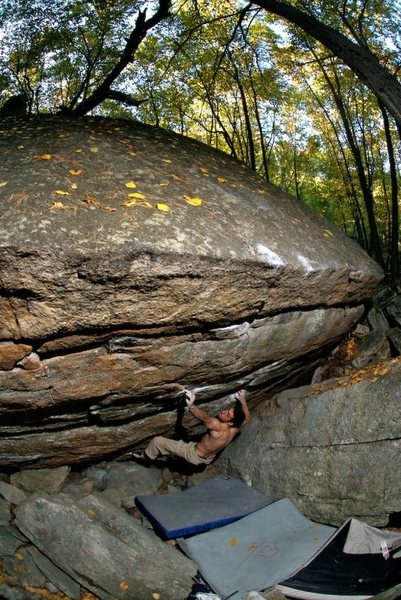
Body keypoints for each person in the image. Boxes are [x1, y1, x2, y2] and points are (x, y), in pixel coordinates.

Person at [132, 389, 250, 466]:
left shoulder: (218, 426)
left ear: (230, 422)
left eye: (228, 415)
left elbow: (205, 419)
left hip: (193, 454)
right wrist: (243, 401)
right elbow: (247, 419)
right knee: (177, 447)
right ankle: (173, 457)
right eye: (227, 410)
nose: (224, 412)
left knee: (157, 441)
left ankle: (145, 459)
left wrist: (191, 405)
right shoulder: (235, 428)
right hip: (207, 458)